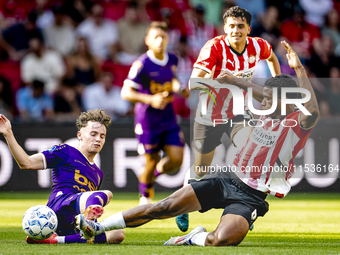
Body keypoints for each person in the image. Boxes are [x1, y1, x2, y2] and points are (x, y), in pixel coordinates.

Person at [75, 41, 319, 246]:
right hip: (228, 179)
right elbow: (259, 92)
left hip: (252, 197)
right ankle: (96, 226)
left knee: (221, 240)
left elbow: (313, 109)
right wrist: (236, 81)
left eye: (270, 100)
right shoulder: (267, 106)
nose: (263, 103)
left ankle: (193, 239)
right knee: (163, 207)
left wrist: (299, 70)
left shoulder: (297, 122)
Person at [176, 5, 281, 232]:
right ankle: (183, 204)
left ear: (248, 29)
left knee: (250, 153)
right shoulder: (214, 47)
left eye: (240, 26)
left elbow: (272, 57)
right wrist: (220, 83)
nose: (236, 30)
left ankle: (244, 208)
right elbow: (193, 82)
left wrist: (276, 81)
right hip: (209, 114)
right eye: (231, 26)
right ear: (225, 28)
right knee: (201, 169)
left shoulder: (257, 45)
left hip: (239, 113)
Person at [0, 109, 124, 244]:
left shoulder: (98, 173)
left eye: (102, 136)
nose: (98, 139)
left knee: (118, 234)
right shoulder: (66, 151)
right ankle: (89, 225)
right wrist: (8, 133)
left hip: (74, 220)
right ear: (80, 135)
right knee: (107, 194)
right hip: (60, 206)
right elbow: (26, 163)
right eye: (93, 134)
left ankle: (57, 240)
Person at [121, 21, 189, 205]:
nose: (160, 41)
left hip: (168, 118)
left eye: (163, 37)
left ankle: (153, 175)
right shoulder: (141, 64)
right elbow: (125, 92)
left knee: (176, 159)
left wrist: (180, 88)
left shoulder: (173, 59)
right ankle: (146, 197)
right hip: (147, 121)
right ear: (147, 41)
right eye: (156, 37)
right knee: (150, 161)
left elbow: (172, 79)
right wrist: (151, 99)